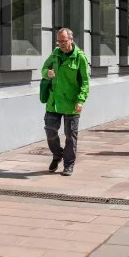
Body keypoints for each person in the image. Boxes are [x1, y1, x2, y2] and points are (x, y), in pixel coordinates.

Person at [41, 28, 90, 176]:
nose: (61, 44)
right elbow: (44, 68)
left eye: (64, 41)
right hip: (54, 101)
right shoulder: (55, 54)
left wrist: (81, 100)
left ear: (71, 40)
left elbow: (85, 82)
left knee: (70, 135)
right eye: (59, 41)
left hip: (71, 103)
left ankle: (69, 164)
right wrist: (47, 73)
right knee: (50, 130)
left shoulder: (79, 57)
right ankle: (57, 154)